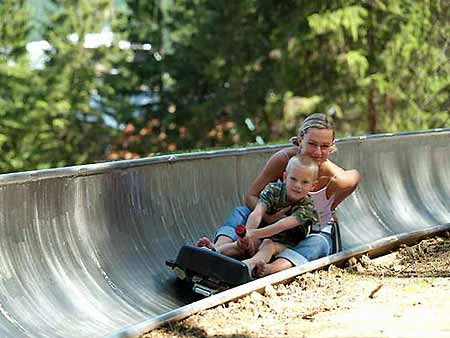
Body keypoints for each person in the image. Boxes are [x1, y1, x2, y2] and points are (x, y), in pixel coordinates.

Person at [197, 112, 360, 276]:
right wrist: (267, 220)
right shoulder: (284, 160)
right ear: (300, 139)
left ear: (332, 146)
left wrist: (330, 206)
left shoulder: (335, 176)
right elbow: (251, 197)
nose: (318, 152)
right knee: (241, 212)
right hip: (265, 227)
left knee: (319, 242)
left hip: (300, 236)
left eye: (324, 146)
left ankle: (270, 268)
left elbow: (353, 177)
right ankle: (216, 250)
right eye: (312, 144)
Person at [199, 155, 318, 267]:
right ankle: (214, 251)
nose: (298, 185)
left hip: (286, 244)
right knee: (242, 243)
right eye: (293, 179)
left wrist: (253, 233)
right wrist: (247, 235)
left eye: (305, 182)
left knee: (268, 245)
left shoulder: (307, 207)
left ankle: (249, 265)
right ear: (285, 177)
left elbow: (281, 225)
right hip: (261, 235)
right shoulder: (273, 190)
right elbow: (257, 212)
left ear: (313, 186)